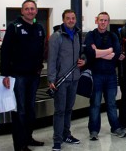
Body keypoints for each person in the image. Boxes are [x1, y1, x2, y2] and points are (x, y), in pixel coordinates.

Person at [0, 0, 46, 151]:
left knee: (30, 109)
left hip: (33, 76)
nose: (30, 11)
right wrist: (5, 74)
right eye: (27, 9)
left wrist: (39, 67)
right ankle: (19, 145)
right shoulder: (14, 28)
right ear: (22, 11)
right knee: (20, 111)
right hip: (18, 76)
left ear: (36, 11)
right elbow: (5, 52)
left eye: (32, 8)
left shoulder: (39, 28)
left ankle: (28, 138)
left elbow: (41, 50)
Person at [47, 10, 86, 151]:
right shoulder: (56, 37)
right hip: (60, 81)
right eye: (68, 18)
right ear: (63, 20)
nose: (71, 20)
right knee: (60, 111)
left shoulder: (77, 35)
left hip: (74, 78)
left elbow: (81, 54)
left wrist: (84, 61)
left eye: (73, 18)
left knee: (69, 109)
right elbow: (51, 60)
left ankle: (66, 134)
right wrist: (51, 79)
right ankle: (57, 140)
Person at [84, 12, 126, 140]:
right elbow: (90, 53)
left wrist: (99, 52)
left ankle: (115, 128)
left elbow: (117, 53)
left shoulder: (113, 36)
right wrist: (108, 51)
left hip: (111, 76)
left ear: (108, 22)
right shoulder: (91, 35)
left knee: (112, 104)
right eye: (101, 20)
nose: (103, 22)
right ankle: (94, 130)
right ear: (97, 20)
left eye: (106, 20)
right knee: (95, 104)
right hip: (95, 75)